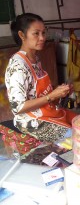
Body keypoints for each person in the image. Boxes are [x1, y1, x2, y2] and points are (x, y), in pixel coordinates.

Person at [5, 13, 76, 142]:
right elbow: (18, 107)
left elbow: (37, 93)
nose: (42, 38)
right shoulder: (18, 66)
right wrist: (51, 96)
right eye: (36, 34)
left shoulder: (35, 59)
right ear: (22, 35)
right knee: (77, 136)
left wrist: (59, 91)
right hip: (30, 122)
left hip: (45, 111)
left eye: (44, 33)